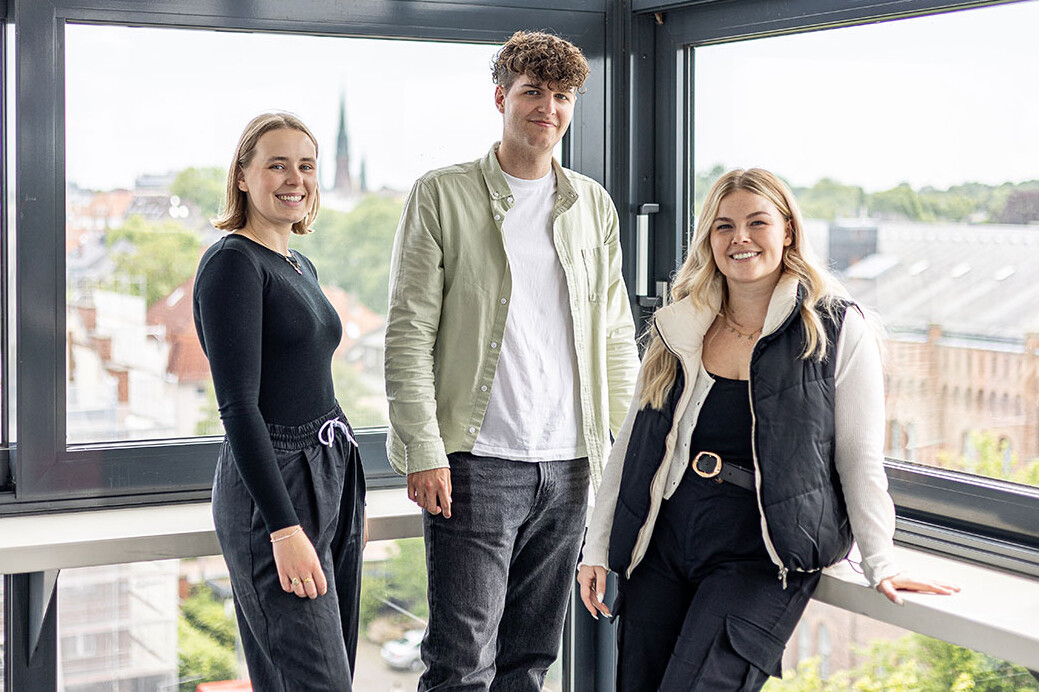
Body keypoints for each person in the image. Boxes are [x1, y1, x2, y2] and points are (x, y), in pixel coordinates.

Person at [577, 168, 959, 691]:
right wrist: (597, 548)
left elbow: (858, 457)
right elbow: (632, 445)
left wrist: (881, 561)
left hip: (762, 550)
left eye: (758, 222)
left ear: (788, 231)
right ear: (708, 239)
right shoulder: (682, 323)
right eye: (724, 226)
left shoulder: (835, 327)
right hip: (664, 537)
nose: (741, 238)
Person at [384, 30, 640, 692]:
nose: (547, 109)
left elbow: (615, 337)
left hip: (571, 466)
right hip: (475, 464)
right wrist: (423, 448)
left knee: (530, 661)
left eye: (562, 96)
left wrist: (623, 458)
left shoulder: (592, 205)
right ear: (500, 98)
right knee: (461, 663)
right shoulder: (441, 195)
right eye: (532, 92)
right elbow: (409, 331)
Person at [193, 112, 367, 691]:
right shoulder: (232, 263)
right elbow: (239, 408)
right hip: (278, 485)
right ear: (243, 176)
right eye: (277, 165)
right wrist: (284, 528)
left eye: (306, 166)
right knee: (319, 682)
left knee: (327, 670)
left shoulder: (298, 263)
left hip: (329, 469)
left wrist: (342, 496)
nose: (296, 179)